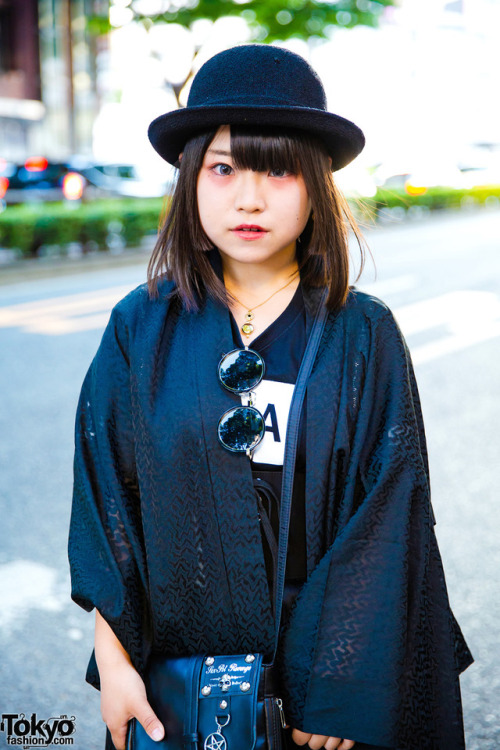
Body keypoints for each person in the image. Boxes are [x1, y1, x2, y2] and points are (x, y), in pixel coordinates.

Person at [68, 44, 473, 750]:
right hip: (182, 686)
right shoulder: (141, 325)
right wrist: (116, 660)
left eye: (278, 169)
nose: (248, 198)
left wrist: (339, 685)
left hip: (328, 695)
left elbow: (390, 516)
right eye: (223, 168)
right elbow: (109, 503)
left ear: (315, 186)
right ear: (192, 180)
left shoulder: (362, 332)